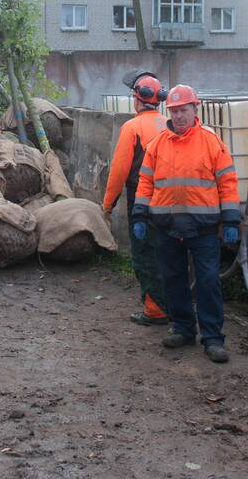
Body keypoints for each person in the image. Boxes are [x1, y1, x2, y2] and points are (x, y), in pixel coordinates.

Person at [132, 85, 240, 363]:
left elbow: (227, 183)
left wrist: (230, 220)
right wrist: (139, 216)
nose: (179, 116)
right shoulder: (157, 145)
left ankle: (213, 338)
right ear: (168, 112)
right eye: (175, 111)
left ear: (195, 109)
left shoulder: (211, 142)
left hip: (203, 229)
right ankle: (182, 328)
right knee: (173, 280)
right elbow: (145, 183)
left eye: (184, 110)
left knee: (208, 282)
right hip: (166, 227)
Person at [102, 73, 170, 326]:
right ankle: (175, 304)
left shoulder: (132, 127)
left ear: (136, 99)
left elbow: (119, 172)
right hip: (171, 200)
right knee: (169, 254)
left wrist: (107, 204)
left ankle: (155, 310)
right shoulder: (169, 124)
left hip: (142, 201)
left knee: (145, 254)